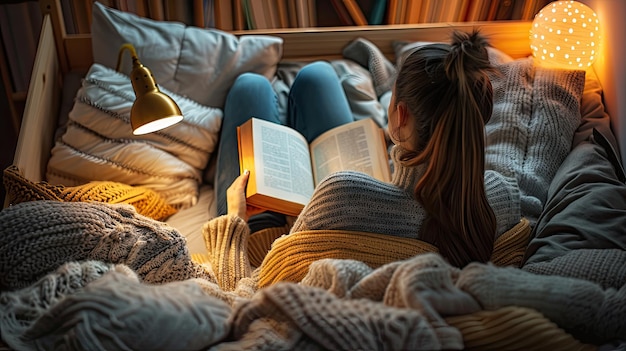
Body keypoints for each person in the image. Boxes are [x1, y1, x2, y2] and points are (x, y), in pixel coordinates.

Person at [211, 30, 521, 270]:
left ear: (400, 115)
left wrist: (234, 222)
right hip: (342, 218)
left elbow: (257, 285)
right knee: (317, 76)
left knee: (251, 86)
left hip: (269, 237)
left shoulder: (342, 194)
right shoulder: (503, 195)